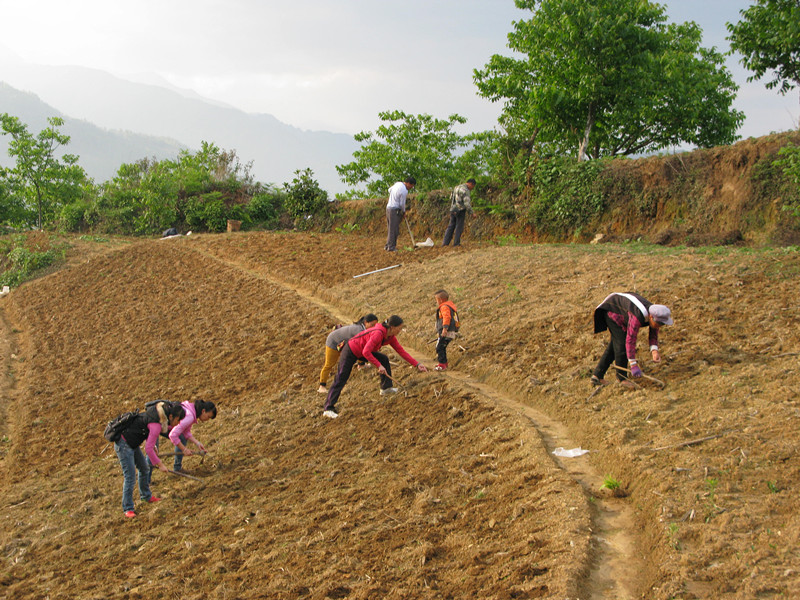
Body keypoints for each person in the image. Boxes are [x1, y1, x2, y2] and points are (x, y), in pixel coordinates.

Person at [323, 315, 428, 418]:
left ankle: (386, 388)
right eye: (399, 328)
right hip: (351, 350)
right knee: (341, 377)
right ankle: (328, 408)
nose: (400, 331)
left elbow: (401, 351)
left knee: (384, 359)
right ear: (392, 327)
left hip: (362, 351)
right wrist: (379, 366)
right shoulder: (378, 333)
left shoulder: (390, 337)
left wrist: (417, 364)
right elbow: (366, 352)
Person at [114, 400, 186, 518]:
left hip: (132, 443)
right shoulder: (156, 423)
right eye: (178, 420)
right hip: (124, 445)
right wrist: (160, 464)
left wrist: (154, 447)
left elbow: (146, 430)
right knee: (130, 477)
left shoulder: (157, 417)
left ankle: (146, 496)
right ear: (171, 416)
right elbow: (148, 449)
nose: (178, 423)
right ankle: (128, 508)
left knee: (144, 468)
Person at [591, 292, 673, 388]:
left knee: (615, 344)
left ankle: (597, 375)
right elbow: (630, 340)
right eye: (659, 323)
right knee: (621, 344)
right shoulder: (637, 316)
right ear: (651, 317)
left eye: (662, 324)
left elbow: (653, 335)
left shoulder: (655, 313)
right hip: (612, 311)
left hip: (624, 311)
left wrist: (654, 351)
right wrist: (633, 365)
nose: (660, 326)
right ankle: (622, 378)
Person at [318, 314, 379, 394]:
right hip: (333, 342)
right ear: (366, 322)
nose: (374, 327)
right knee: (329, 364)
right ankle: (322, 386)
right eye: (372, 325)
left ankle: (361, 365)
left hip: (344, 342)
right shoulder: (359, 330)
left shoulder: (363, 329)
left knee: (358, 349)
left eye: (375, 325)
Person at [168, 399, 217, 473]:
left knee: (182, 438)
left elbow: (186, 432)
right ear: (203, 411)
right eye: (208, 417)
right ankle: (177, 468)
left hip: (164, 425)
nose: (207, 419)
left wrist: (198, 443)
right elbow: (173, 435)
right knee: (152, 449)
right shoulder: (190, 416)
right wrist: (184, 450)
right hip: (159, 424)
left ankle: (177, 468)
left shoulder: (191, 410)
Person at [385, 176, 416, 251]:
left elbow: (389, 190)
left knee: (390, 228)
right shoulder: (404, 190)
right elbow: (402, 204)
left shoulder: (397, 183)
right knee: (394, 229)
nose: (411, 188)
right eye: (411, 186)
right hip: (394, 210)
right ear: (408, 183)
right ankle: (391, 247)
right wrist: (403, 211)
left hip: (388, 208)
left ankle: (387, 245)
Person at [442, 179, 475, 247]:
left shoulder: (456, 187)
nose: (472, 189)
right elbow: (467, 203)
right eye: (473, 187)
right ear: (471, 184)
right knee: (459, 226)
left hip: (453, 209)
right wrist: (471, 213)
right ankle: (456, 243)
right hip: (460, 209)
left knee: (451, 226)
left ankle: (445, 243)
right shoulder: (465, 190)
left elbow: (451, 198)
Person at [433, 289, 460, 371]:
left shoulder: (444, 307)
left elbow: (446, 317)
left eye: (436, 300)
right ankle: (444, 363)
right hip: (451, 330)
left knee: (439, 347)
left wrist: (445, 328)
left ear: (440, 300)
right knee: (442, 346)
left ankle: (442, 364)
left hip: (446, 331)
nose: (436, 302)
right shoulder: (450, 306)